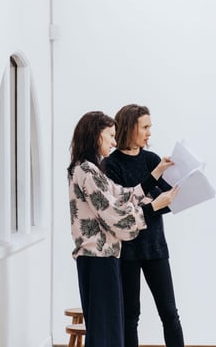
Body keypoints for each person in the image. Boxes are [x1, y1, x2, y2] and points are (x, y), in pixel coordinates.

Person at [67, 111, 179, 347]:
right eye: (110, 135)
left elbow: (122, 195)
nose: (114, 141)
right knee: (106, 333)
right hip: (97, 258)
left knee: (109, 330)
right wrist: (152, 208)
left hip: (104, 257)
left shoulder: (91, 169)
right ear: (96, 136)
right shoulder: (87, 171)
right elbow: (116, 216)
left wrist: (155, 174)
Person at [104, 104, 185, 347]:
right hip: (126, 251)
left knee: (170, 313)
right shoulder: (111, 165)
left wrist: (153, 204)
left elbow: (169, 203)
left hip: (155, 248)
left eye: (150, 127)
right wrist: (151, 203)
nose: (150, 132)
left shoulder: (152, 159)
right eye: (145, 127)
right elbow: (120, 209)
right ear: (130, 128)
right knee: (130, 317)